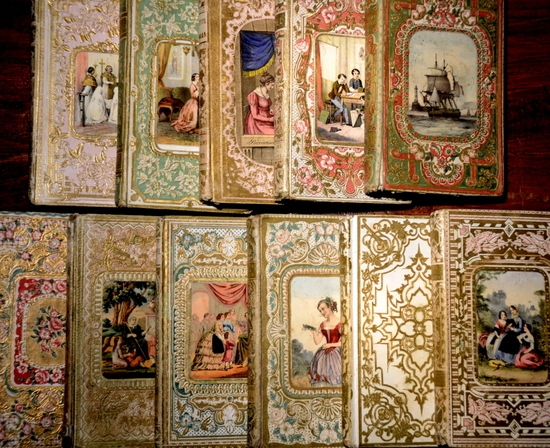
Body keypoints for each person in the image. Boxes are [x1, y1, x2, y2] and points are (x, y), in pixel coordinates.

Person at [305, 297, 342, 386]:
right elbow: (317, 342)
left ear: (330, 307)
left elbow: (343, 343)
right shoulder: (322, 324)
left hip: (336, 353)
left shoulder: (340, 323)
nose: (322, 312)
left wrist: (329, 345)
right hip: (323, 353)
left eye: (323, 309)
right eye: (320, 311)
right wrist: (314, 333)